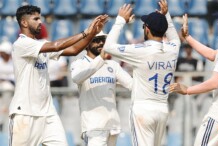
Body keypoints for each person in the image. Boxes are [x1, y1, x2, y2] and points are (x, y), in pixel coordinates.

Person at [9, 5, 108, 146]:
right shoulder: (21, 44)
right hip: (25, 113)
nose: (40, 22)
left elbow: (74, 50)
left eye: (40, 18)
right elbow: (56, 45)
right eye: (35, 19)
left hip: (48, 113)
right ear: (24, 23)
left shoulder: (41, 45)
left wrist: (92, 33)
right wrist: (85, 32)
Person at [103, 1, 181, 145]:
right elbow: (175, 38)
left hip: (143, 109)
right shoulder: (173, 49)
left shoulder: (140, 50)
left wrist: (120, 20)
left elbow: (108, 47)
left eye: (144, 26)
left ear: (147, 29)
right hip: (162, 109)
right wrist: (166, 16)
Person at [171, 7, 218, 146]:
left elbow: (214, 83)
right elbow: (213, 55)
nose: (216, 23)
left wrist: (187, 90)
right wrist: (187, 37)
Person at [70, 31, 132, 146]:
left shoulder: (112, 65)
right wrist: (100, 60)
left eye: (103, 40)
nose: (101, 43)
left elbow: (132, 85)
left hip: (113, 125)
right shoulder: (79, 64)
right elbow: (76, 78)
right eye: (96, 40)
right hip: (93, 126)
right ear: (86, 44)